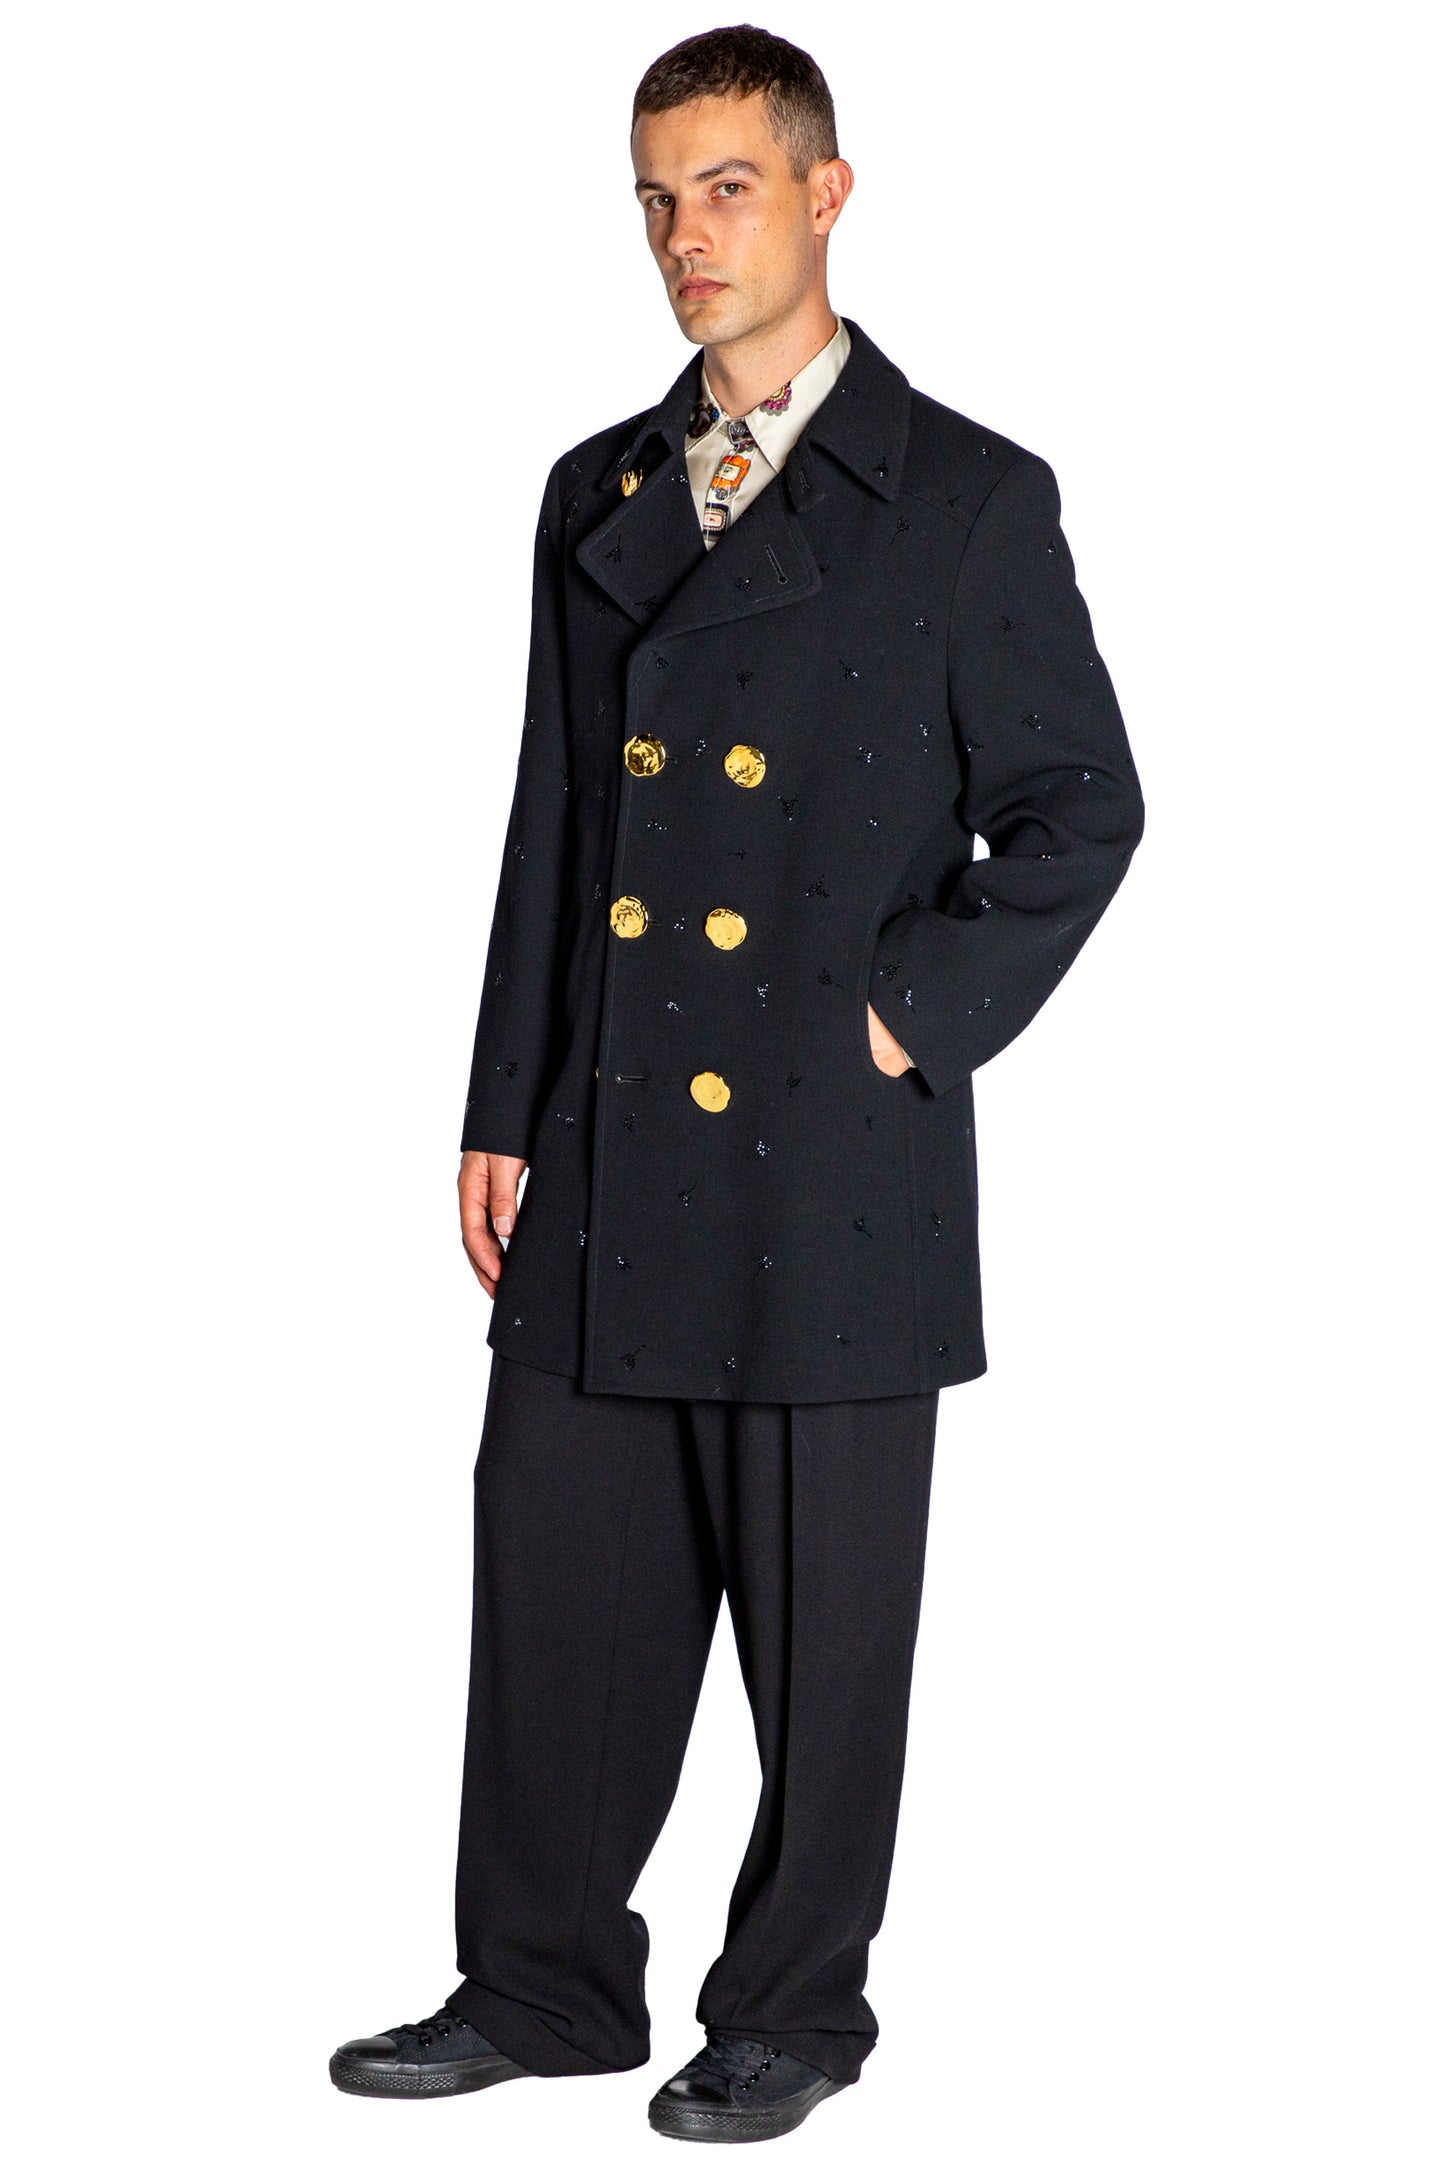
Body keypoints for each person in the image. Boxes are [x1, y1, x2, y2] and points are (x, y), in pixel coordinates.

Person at [329, 21, 1145, 2144]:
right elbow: (555, 817)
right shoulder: (596, 488)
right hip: (606, 1137)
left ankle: (793, 2006)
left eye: (726, 187)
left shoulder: (965, 496)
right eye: (655, 196)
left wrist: (903, 1017)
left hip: (831, 1158)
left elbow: (1080, 803)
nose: (685, 234)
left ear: (824, 194)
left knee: (824, 1627)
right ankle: (541, 1981)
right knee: (554, 1578)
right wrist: (502, 1096)